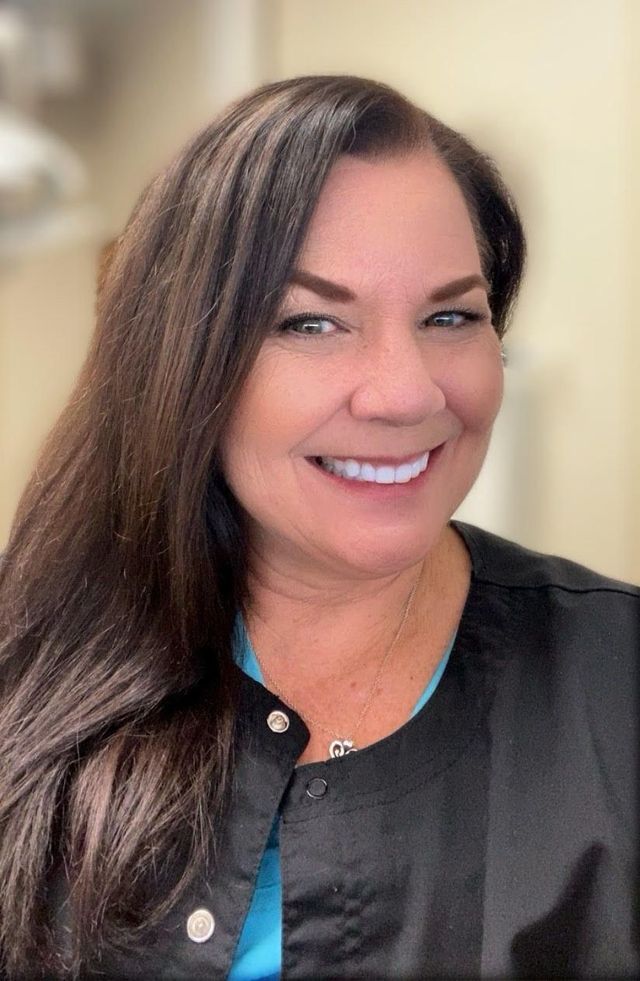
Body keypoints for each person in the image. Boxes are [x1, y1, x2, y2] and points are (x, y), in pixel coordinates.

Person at [0, 74, 637, 981]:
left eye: (450, 315)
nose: (407, 393)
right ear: (182, 360)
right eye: (312, 323)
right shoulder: (28, 655)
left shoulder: (615, 683)